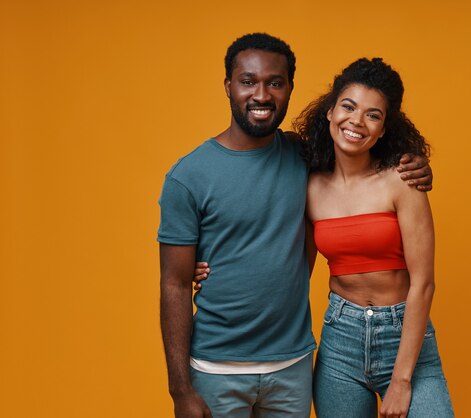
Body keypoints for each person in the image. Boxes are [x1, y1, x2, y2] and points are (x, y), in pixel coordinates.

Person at [158, 33, 433, 418]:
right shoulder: (188, 176)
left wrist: (418, 166)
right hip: (218, 367)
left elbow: (357, 155)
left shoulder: (301, 158)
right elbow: (173, 281)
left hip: (292, 365)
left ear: (289, 89)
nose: (261, 95)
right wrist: (179, 389)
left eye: (275, 83)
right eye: (248, 81)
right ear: (228, 86)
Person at [297, 58, 455, 418]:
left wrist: (401, 380)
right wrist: (212, 267)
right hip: (340, 341)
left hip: (405, 332)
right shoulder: (310, 187)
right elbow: (294, 271)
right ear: (330, 111)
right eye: (348, 107)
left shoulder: (402, 180)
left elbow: (424, 284)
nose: (356, 121)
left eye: (373, 115)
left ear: (383, 129)